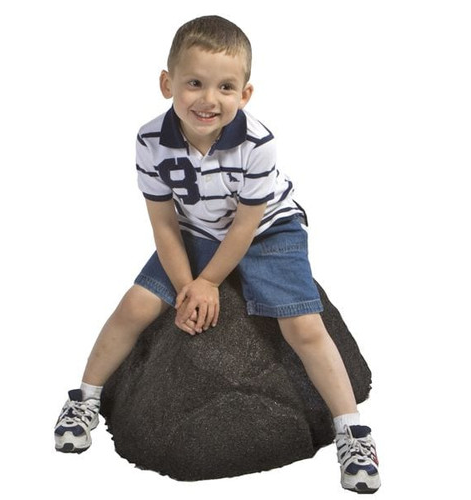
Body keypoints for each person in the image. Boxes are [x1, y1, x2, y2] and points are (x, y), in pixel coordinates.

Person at [54, 15, 381, 494]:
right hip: (193, 230)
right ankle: (84, 398)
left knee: (304, 325)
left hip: (269, 231)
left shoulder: (257, 143)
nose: (209, 99)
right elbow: (164, 222)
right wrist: (187, 285)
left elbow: (246, 225)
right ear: (168, 83)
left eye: (226, 86)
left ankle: (352, 432)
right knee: (135, 306)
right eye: (194, 83)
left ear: (245, 94)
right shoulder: (150, 140)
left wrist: (209, 283)